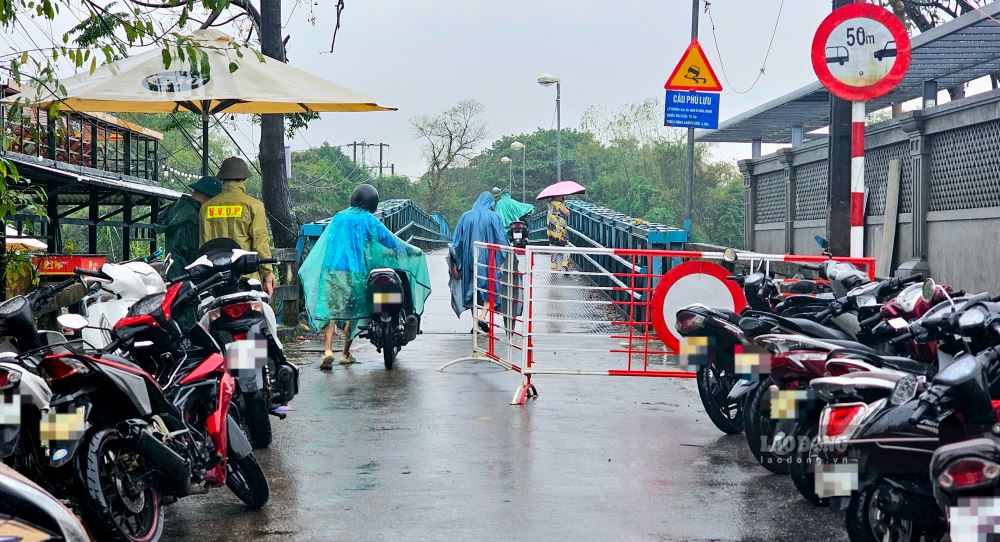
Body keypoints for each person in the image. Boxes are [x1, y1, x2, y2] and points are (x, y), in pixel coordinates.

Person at [299, 184, 430, 370]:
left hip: (331, 270)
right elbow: (388, 240)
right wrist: (410, 251)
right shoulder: (369, 220)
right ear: (372, 203)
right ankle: (345, 353)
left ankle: (327, 350)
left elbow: (325, 242)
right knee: (353, 312)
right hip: (355, 273)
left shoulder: (338, 218)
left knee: (331, 310)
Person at [199, 157, 275, 294]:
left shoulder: (206, 207)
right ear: (243, 178)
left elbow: (203, 245)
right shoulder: (254, 205)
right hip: (246, 278)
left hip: (215, 280)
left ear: (222, 179)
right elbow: (260, 243)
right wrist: (268, 273)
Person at [448, 192, 508, 327]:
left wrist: (454, 264)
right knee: (490, 287)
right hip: (489, 260)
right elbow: (501, 240)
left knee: (472, 289)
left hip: (468, 258)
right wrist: (506, 257)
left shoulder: (465, 216)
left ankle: (475, 323)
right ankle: (482, 315)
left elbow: (456, 242)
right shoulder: (495, 217)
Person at [159, 175, 222, 280]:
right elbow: (192, 251)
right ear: (207, 196)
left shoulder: (175, 208)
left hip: (172, 274)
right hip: (188, 276)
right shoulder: (193, 217)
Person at [546, 196, 571, 270]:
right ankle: (565, 263)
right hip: (560, 230)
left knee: (553, 247)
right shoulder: (558, 204)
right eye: (560, 195)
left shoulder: (550, 205)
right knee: (565, 246)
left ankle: (554, 266)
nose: (562, 196)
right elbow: (567, 213)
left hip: (551, 229)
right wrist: (563, 204)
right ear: (556, 196)